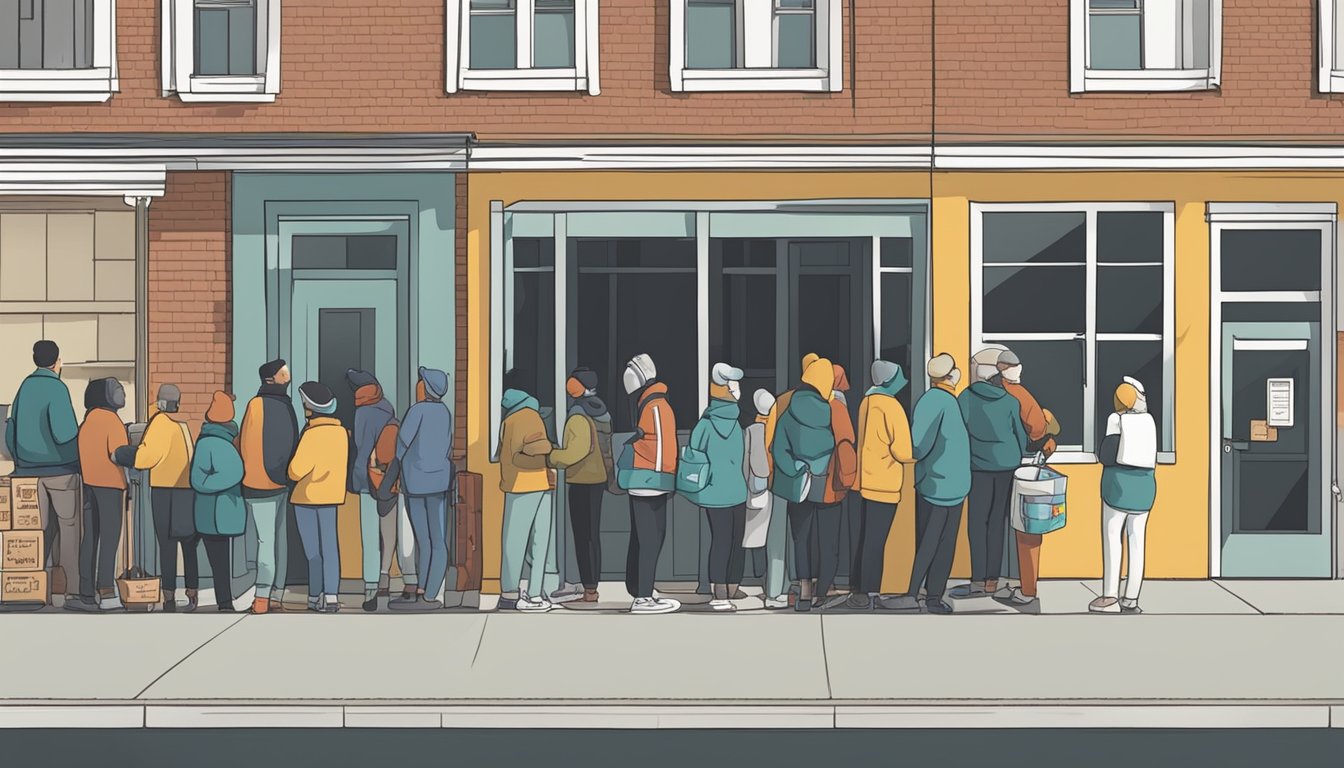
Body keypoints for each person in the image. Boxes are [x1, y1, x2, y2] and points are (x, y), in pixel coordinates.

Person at [885, 355, 972, 614]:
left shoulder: (930, 402)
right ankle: (933, 596)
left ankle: (914, 593)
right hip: (955, 486)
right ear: (950, 375)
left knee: (928, 543)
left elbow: (918, 446)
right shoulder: (948, 403)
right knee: (945, 544)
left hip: (935, 486)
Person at [5, 340, 82, 606]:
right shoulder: (57, 388)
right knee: (69, 529)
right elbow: (65, 432)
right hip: (60, 470)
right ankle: (70, 591)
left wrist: (19, 460)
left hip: (26, 472)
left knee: (36, 533)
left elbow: (10, 429)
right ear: (56, 362)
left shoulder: (23, 387)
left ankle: (33, 588)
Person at [950, 348, 1028, 600]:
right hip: (1006, 468)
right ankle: (993, 581)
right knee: (997, 523)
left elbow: (958, 432)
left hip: (977, 468)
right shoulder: (1010, 402)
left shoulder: (965, 398)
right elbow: (1022, 438)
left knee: (976, 523)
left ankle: (977, 580)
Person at [114, 384, 197, 612]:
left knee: (167, 546)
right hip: (187, 490)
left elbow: (145, 458)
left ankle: (168, 594)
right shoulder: (183, 428)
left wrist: (122, 453)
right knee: (188, 544)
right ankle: (192, 592)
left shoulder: (160, 423)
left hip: (164, 490)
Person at [995, 349, 1062, 610]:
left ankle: (1006, 581)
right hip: (1026, 467)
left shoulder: (993, 394)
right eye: (1012, 365)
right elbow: (1038, 429)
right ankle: (1028, 588)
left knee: (1002, 526)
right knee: (1028, 529)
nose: (1017, 369)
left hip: (999, 467)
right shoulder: (1020, 396)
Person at [347, 369, 417, 612]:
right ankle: (386, 577)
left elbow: (361, 449)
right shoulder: (388, 409)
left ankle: (371, 589)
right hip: (388, 480)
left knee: (369, 536)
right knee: (389, 534)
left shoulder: (362, 414)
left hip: (367, 481)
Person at [771, 356, 836, 612]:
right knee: (824, 537)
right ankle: (824, 589)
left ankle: (805, 590)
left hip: (799, 484)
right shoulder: (830, 411)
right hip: (825, 481)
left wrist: (797, 468)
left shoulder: (788, 413)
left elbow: (779, 449)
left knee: (801, 538)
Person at [618, 354, 681, 615]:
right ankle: (642, 596)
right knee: (651, 539)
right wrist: (671, 474)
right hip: (652, 481)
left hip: (645, 480)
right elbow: (662, 448)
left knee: (643, 538)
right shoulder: (657, 405)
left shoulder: (650, 405)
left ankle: (639, 589)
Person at [683, 363, 749, 612]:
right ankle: (731, 586)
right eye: (735, 386)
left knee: (720, 540)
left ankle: (720, 590)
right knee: (735, 539)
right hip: (737, 490)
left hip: (713, 492)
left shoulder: (705, 424)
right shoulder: (738, 424)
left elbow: (694, 455)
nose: (738, 390)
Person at [1090, 377, 1158, 615]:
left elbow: (1106, 455)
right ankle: (1131, 598)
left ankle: (1109, 597)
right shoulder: (1149, 422)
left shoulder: (1116, 419)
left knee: (1112, 539)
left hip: (1118, 487)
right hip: (1145, 488)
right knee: (1137, 541)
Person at [850, 360, 914, 611]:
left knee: (867, 537)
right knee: (877, 541)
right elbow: (903, 451)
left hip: (866, 479)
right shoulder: (892, 406)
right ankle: (869, 592)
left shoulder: (868, 402)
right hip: (885, 483)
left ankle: (860, 587)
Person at [548, 367, 615, 604]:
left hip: (580, 480)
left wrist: (552, 456)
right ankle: (591, 586)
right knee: (592, 536)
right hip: (598, 479)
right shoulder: (600, 410)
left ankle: (589, 590)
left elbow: (574, 453)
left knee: (583, 536)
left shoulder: (578, 415)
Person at [391, 367, 455, 612]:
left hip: (415, 483)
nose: (418, 385)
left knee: (424, 540)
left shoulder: (417, 410)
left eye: (421, 381)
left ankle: (423, 593)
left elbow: (402, 443)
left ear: (426, 387)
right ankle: (429, 593)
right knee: (438, 539)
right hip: (439, 482)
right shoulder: (445, 413)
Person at [240, 359, 298, 614]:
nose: (288, 375)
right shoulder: (284, 405)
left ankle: (263, 596)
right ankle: (273, 594)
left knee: (267, 540)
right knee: (276, 540)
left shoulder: (257, 404)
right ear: (271, 378)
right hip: (278, 481)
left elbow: (247, 444)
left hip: (259, 483)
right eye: (283, 372)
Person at [67, 378, 129, 612]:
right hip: (110, 486)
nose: (121, 393)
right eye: (117, 390)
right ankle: (107, 592)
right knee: (110, 540)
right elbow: (118, 454)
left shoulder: (88, 421)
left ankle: (86, 592)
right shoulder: (111, 420)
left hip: (89, 485)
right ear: (107, 396)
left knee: (90, 538)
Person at [496, 386, 558, 612]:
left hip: (518, 485)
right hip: (540, 482)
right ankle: (535, 592)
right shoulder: (532, 417)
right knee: (540, 542)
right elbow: (541, 448)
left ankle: (510, 594)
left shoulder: (509, 421)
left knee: (514, 541)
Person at [288, 382, 348, 613]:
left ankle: (314, 596)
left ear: (309, 407)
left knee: (313, 551)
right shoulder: (341, 432)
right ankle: (332, 595)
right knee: (330, 547)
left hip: (306, 498)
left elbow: (296, 470)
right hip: (331, 496)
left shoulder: (311, 434)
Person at [191, 392, 245, 612]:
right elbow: (234, 472)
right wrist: (229, 477)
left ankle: (223, 601)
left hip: (210, 512)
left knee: (218, 561)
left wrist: (221, 478)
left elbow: (198, 480)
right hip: (223, 511)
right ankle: (224, 602)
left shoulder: (206, 442)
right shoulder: (232, 442)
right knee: (221, 561)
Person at [815, 364, 858, 610]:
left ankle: (816, 586)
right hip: (834, 482)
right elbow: (845, 442)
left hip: (814, 481)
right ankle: (825, 589)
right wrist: (850, 477)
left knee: (815, 538)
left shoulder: (817, 403)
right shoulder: (837, 405)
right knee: (830, 541)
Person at [745, 389, 784, 609]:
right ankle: (767, 583)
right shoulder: (771, 428)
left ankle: (760, 577)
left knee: (756, 536)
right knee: (769, 538)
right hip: (768, 487)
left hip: (756, 489)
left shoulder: (752, 428)